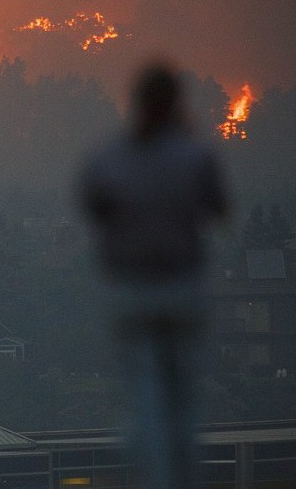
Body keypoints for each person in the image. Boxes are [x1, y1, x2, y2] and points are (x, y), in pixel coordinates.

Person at [80, 62, 229, 489]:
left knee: (142, 395)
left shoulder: (108, 158)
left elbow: (93, 208)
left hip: (131, 292)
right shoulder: (195, 156)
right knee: (183, 396)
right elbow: (219, 209)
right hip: (181, 289)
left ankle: (151, 468)